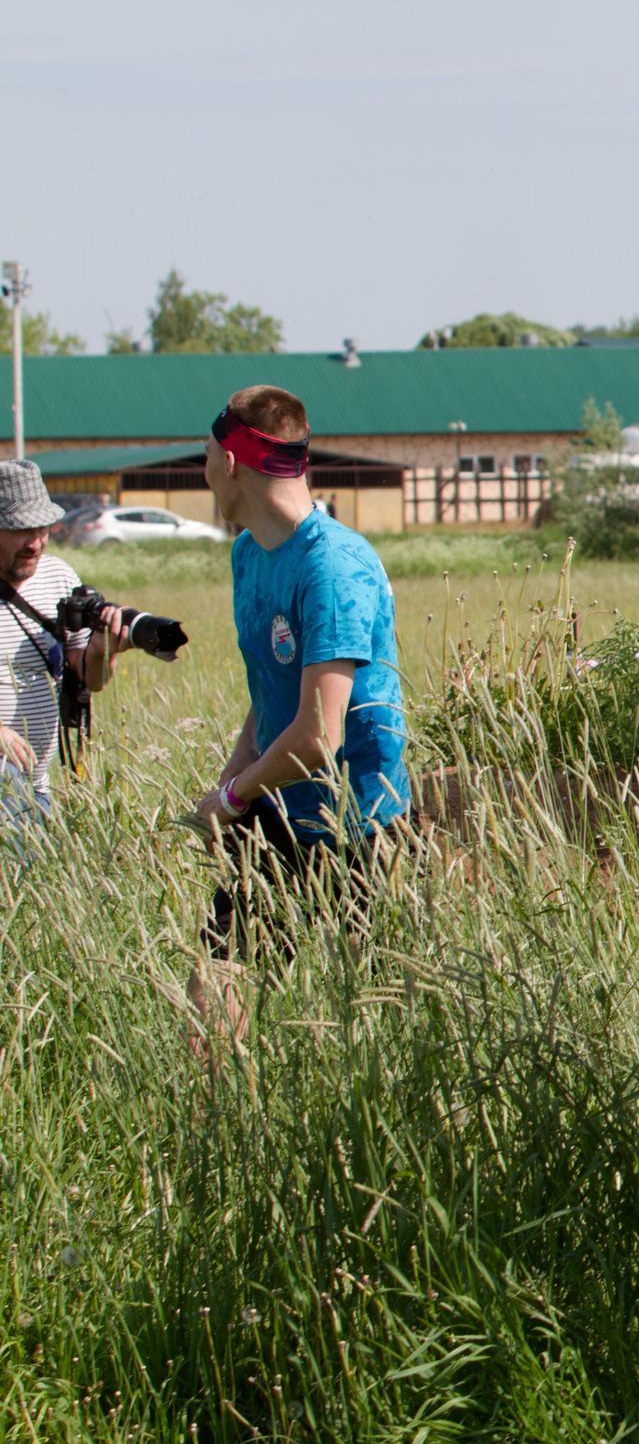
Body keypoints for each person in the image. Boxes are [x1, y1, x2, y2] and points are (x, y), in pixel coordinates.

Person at [190, 387, 407, 1044]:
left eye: (204, 458)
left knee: (367, 1033)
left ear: (231, 462)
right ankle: (215, 1135)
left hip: (357, 829)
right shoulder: (249, 554)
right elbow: (271, 690)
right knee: (211, 999)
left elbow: (319, 735)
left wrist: (231, 794)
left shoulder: (333, 568)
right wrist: (229, 791)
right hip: (274, 817)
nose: (202, 473)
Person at [0, 459, 123, 822]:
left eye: (42, 529)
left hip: (38, 784)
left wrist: (104, 648)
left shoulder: (58, 577)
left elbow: (91, 680)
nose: (35, 542)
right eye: (22, 529)